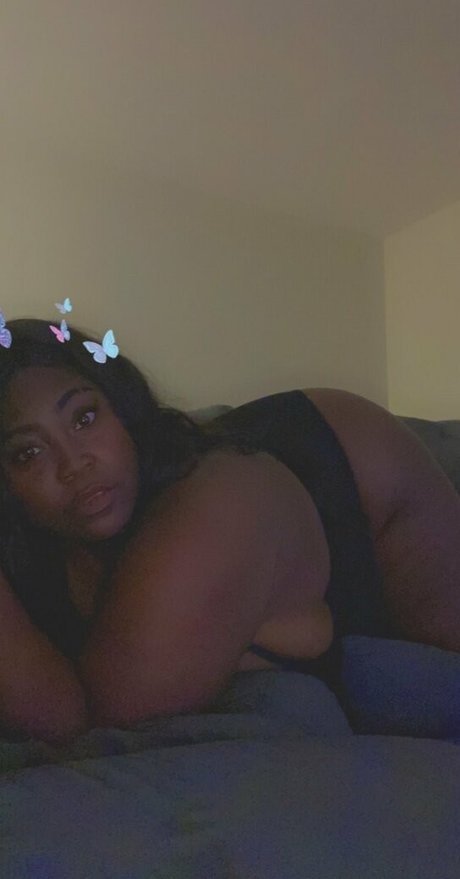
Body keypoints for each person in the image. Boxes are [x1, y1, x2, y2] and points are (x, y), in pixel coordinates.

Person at [1, 316, 460, 745]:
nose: (73, 463)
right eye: (28, 453)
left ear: (123, 409)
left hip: (352, 468)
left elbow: (100, 722)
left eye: (84, 417)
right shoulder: (35, 545)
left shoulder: (212, 508)